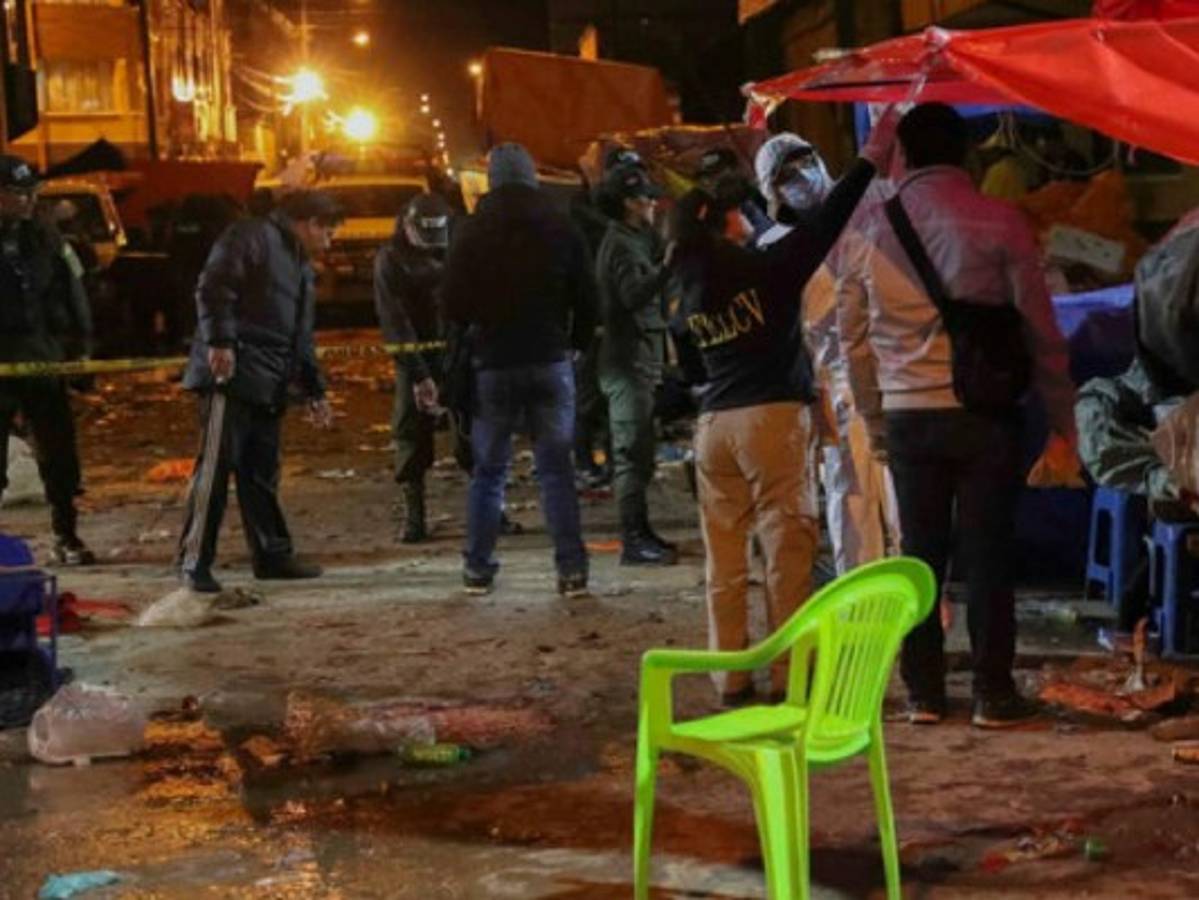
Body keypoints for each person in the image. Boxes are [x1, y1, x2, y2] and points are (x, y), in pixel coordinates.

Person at [838, 104, 1079, 728]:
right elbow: (1041, 332)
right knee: (989, 551)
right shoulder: (1001, 220)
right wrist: (1064, 420)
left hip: (907, 415)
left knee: (919, 555)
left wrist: (874, 416)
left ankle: (923, 692)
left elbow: (851, 338)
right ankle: (992, 694)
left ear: (904, 155)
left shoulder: (870, 226)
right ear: (966, 153)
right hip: (985, 414)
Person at [669, 111, 900, 705]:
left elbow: (688, 370)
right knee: (786, 554)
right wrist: (870, 157)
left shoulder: (687, 292)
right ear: (725, 221)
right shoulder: (766, 270)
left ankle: (730, 678)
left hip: (713, 427)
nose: (747, 216)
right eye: (738, 210)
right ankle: (788, 676)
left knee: (724, 564)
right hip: (769, 422)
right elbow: (826, 224)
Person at [441, 142, 596, 597]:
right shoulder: (561, 226)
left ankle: (478, 568)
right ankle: (571, 570)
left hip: (493, 365)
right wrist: (575, 345)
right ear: (532, 177)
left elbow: (452, 303)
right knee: (556, 471)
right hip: (550, 360)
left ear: (491, 180)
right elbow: (588, 296)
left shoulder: (471, 231)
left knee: (489, 472)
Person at [177, 189, 341, 593]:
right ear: (309, 224)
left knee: (261, 473)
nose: (330, 240)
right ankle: (194, 562)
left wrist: (313, 389)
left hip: (269, 382)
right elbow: (214, 288)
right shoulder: (250, 237)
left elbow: (299, 335)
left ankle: (272, 556)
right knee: (214, 471)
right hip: (231, 376)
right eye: (328, 231)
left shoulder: (299, 264)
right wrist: (220, 342)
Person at [755, 132, 900, 574]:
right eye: (787, 174)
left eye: (806, 161)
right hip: (837, 389)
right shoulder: (775, 247)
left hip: (896, 373)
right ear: (771, 190)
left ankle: (915, 598)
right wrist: (816, 408)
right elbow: (788, 337)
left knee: (904, 495)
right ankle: (859, 600)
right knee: (852, 499)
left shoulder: (869, 210)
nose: (803, 176)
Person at [0, 155, 96, 565]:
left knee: (58, 454)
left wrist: (82, 349)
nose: (26, 201)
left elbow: (74, 292)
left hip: (43, 359)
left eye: (31, 193)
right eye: (16, 193)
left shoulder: (47, 239)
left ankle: (66, 533)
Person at [595, 163, 677, 566]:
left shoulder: (635, 239)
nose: (653, 204)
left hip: (639, 360)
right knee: (631, 453)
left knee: (641, 452)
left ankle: (642, 532)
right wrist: (666, 269)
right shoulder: (622, 246)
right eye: (647, 198)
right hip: (627, 364)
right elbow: (633, 295)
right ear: (629, 203)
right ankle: (633, 540)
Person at [374, 192, 452, 543]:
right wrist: (419, 374)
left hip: (455, 353)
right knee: (411, 433)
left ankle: (491, 510)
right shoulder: (391, 259)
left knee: (474, 431)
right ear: (406, 224)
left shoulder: (453, 245)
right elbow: (395, 320)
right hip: (416, 355)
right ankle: (414, 516)